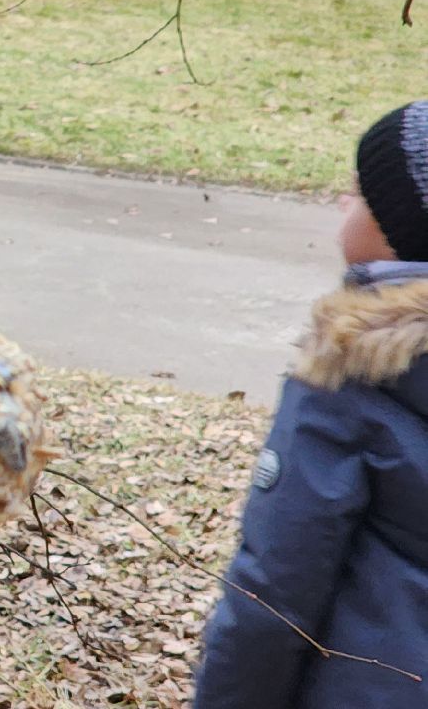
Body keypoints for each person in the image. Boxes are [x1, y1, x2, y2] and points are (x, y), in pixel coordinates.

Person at [194, 100, 428, 708]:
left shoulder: (355, 363)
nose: (341, 203)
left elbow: (273, 598)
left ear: (402, 226)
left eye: (357, 192)